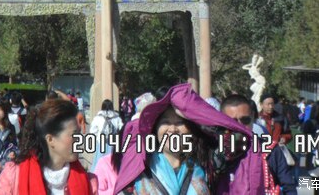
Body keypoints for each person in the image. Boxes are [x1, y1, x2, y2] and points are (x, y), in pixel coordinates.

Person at [93, 83, 264, 195]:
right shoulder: (141, 164)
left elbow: (241, 138)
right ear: (155, 130)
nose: (173, 129)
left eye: (180, 123)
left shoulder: (207, 162)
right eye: (165, 122)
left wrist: (195, 114)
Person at [0, 98, 96, 195]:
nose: (80, 140)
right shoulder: (13, 177)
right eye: (74, 134)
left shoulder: (89, 182)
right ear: (50, 139)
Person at [221, 94, 296, 194]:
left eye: (245, 120)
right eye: (232, 121)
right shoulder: (215, 153)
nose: (239, 126)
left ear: (252, 117)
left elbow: (289, 187)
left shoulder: (271, 151)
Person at [87, 100, 122, 173]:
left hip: (101, 142)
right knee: (112, 161)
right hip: (113, 142)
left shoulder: (98, 118)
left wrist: (98, 137)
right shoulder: (117, 117)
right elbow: (122, 129)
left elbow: (92, 131)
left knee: (99, 160)